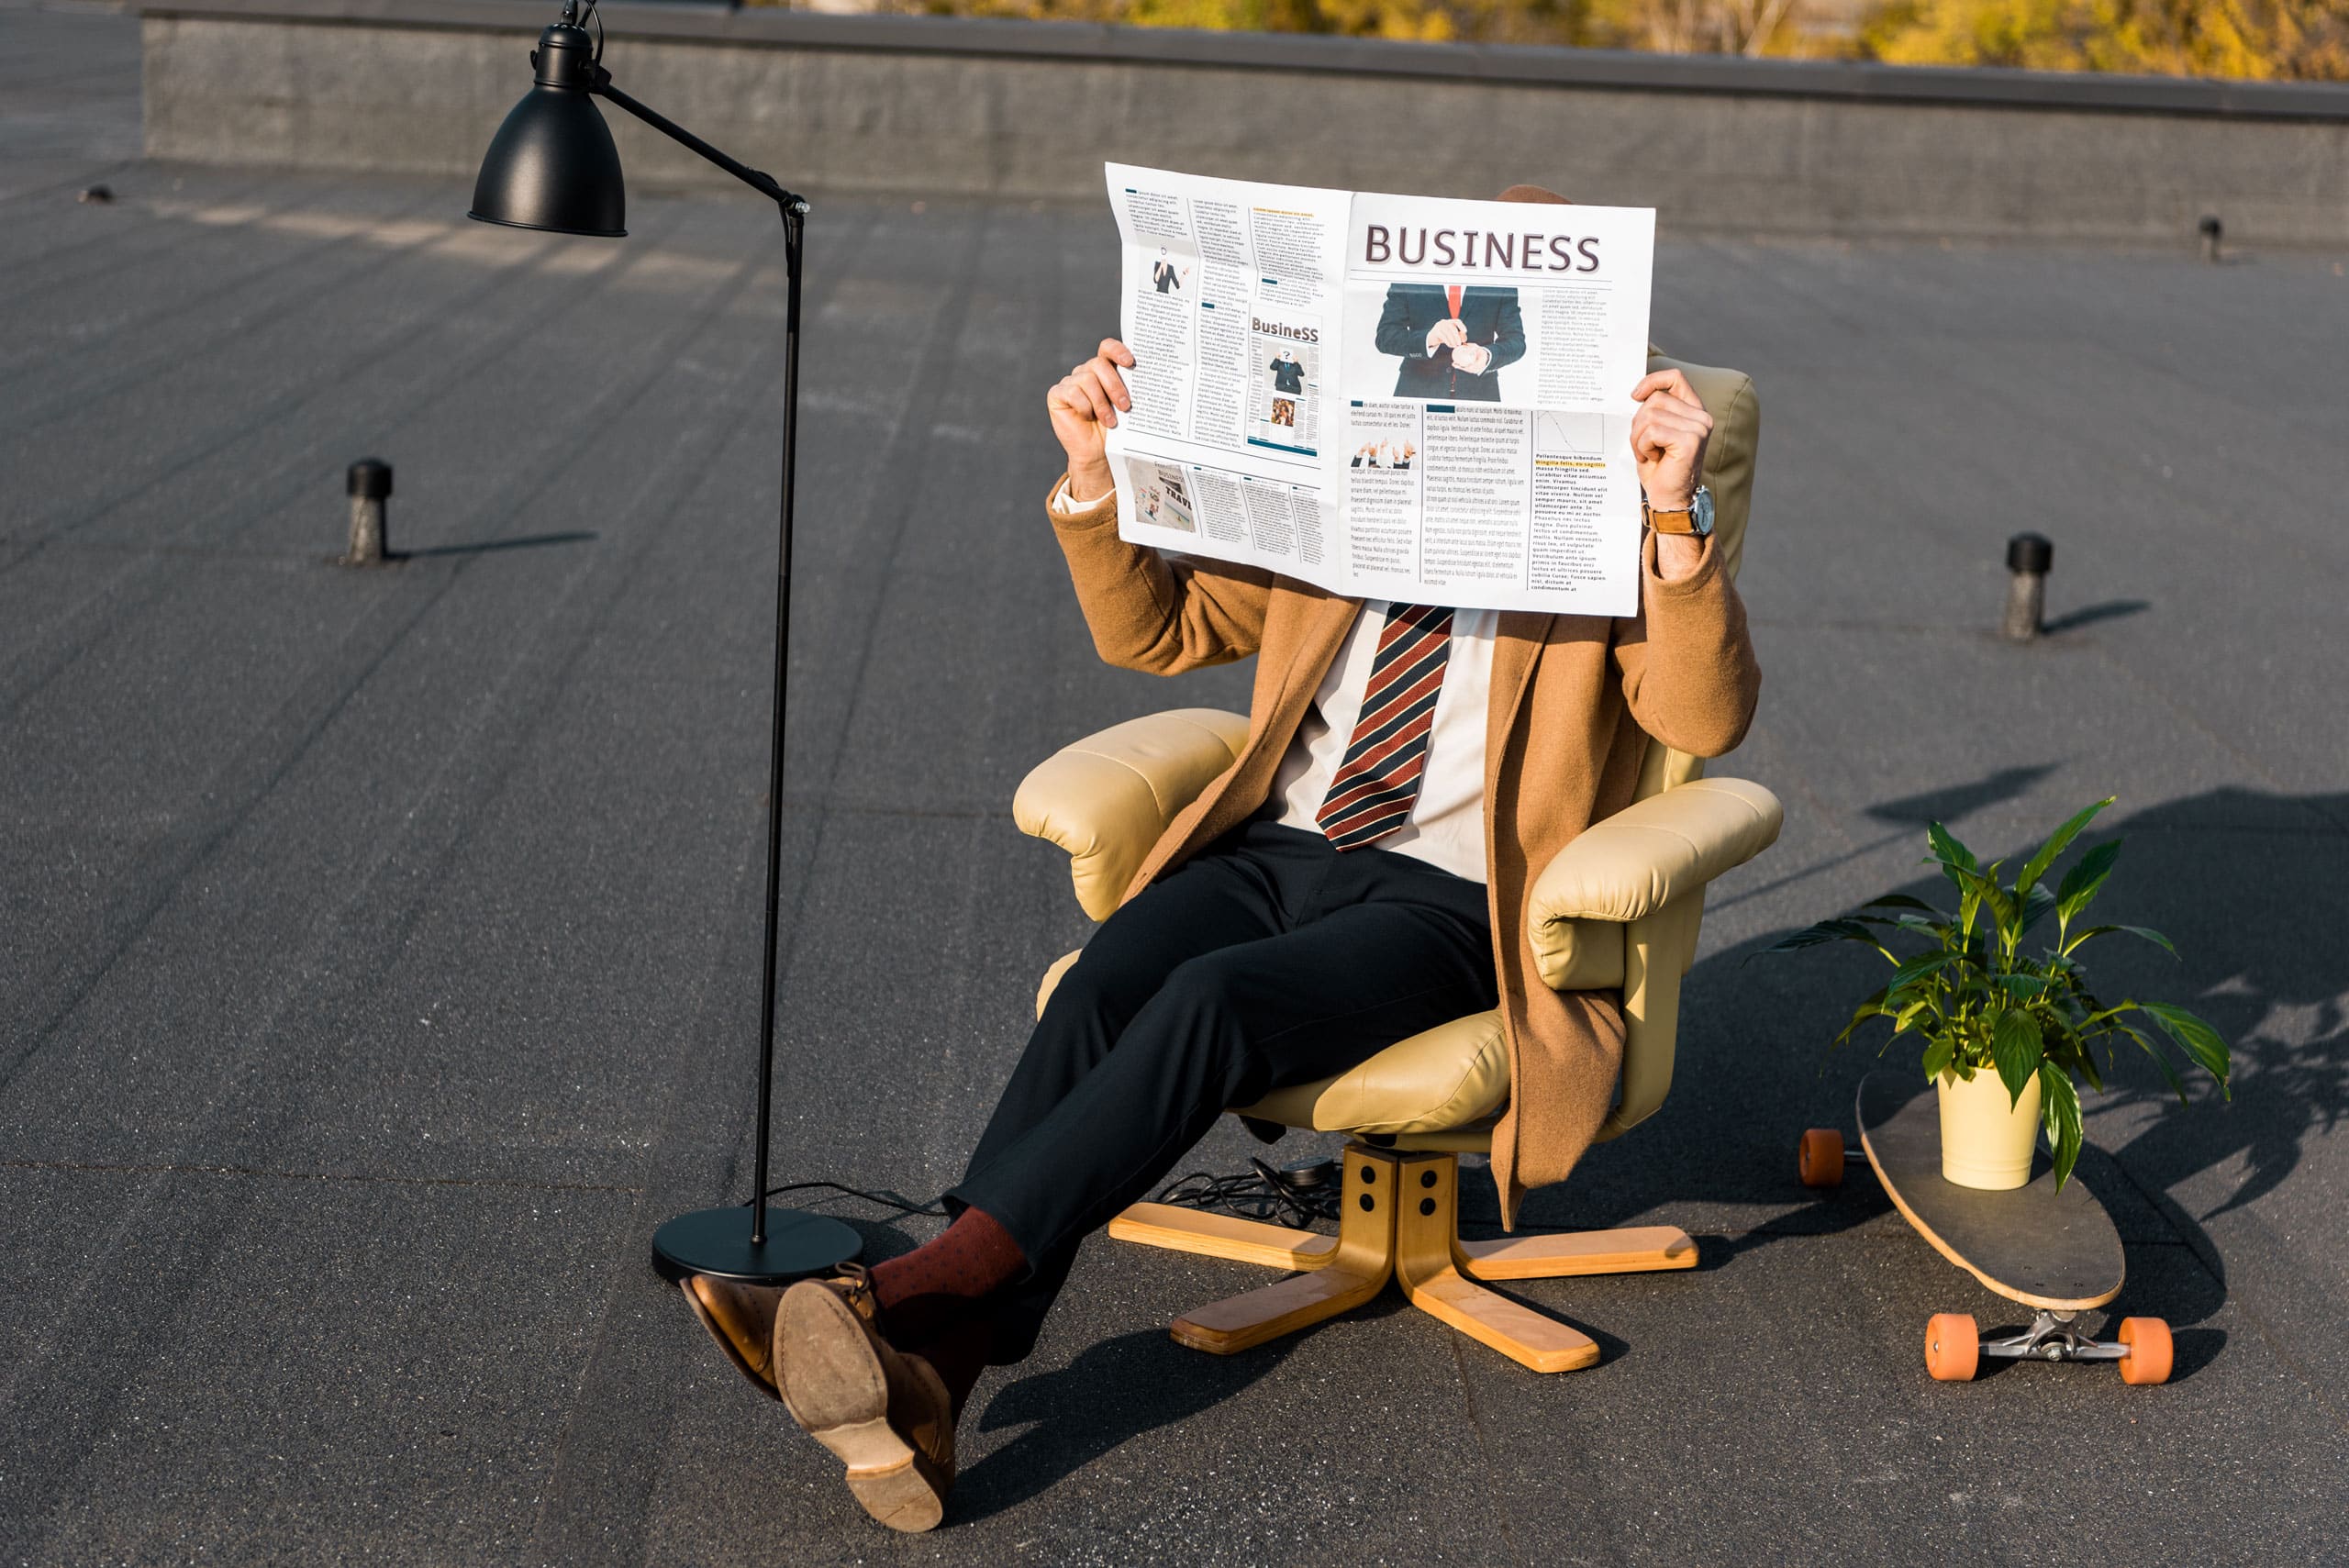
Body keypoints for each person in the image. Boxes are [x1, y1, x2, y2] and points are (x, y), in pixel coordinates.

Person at [678, 184, 1760, 1536]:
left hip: (1448, 895)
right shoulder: (1351, 471)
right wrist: (1095, 475)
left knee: (1215, 1006)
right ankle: (941, 1361)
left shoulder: (1612, 526)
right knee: (1106, 979)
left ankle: (909, 1289)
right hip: (1282, 844)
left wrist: (1676, 518)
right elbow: (1164, 631)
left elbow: (1703, 718)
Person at [1375, 283, 1524, 400]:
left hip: (1480, 395)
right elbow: (1385, 336)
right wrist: (1430, 338)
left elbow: (1516, 341)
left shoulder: (1500, 279)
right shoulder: (1409, 274)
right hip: (1417, 391)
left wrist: (1486, 356)